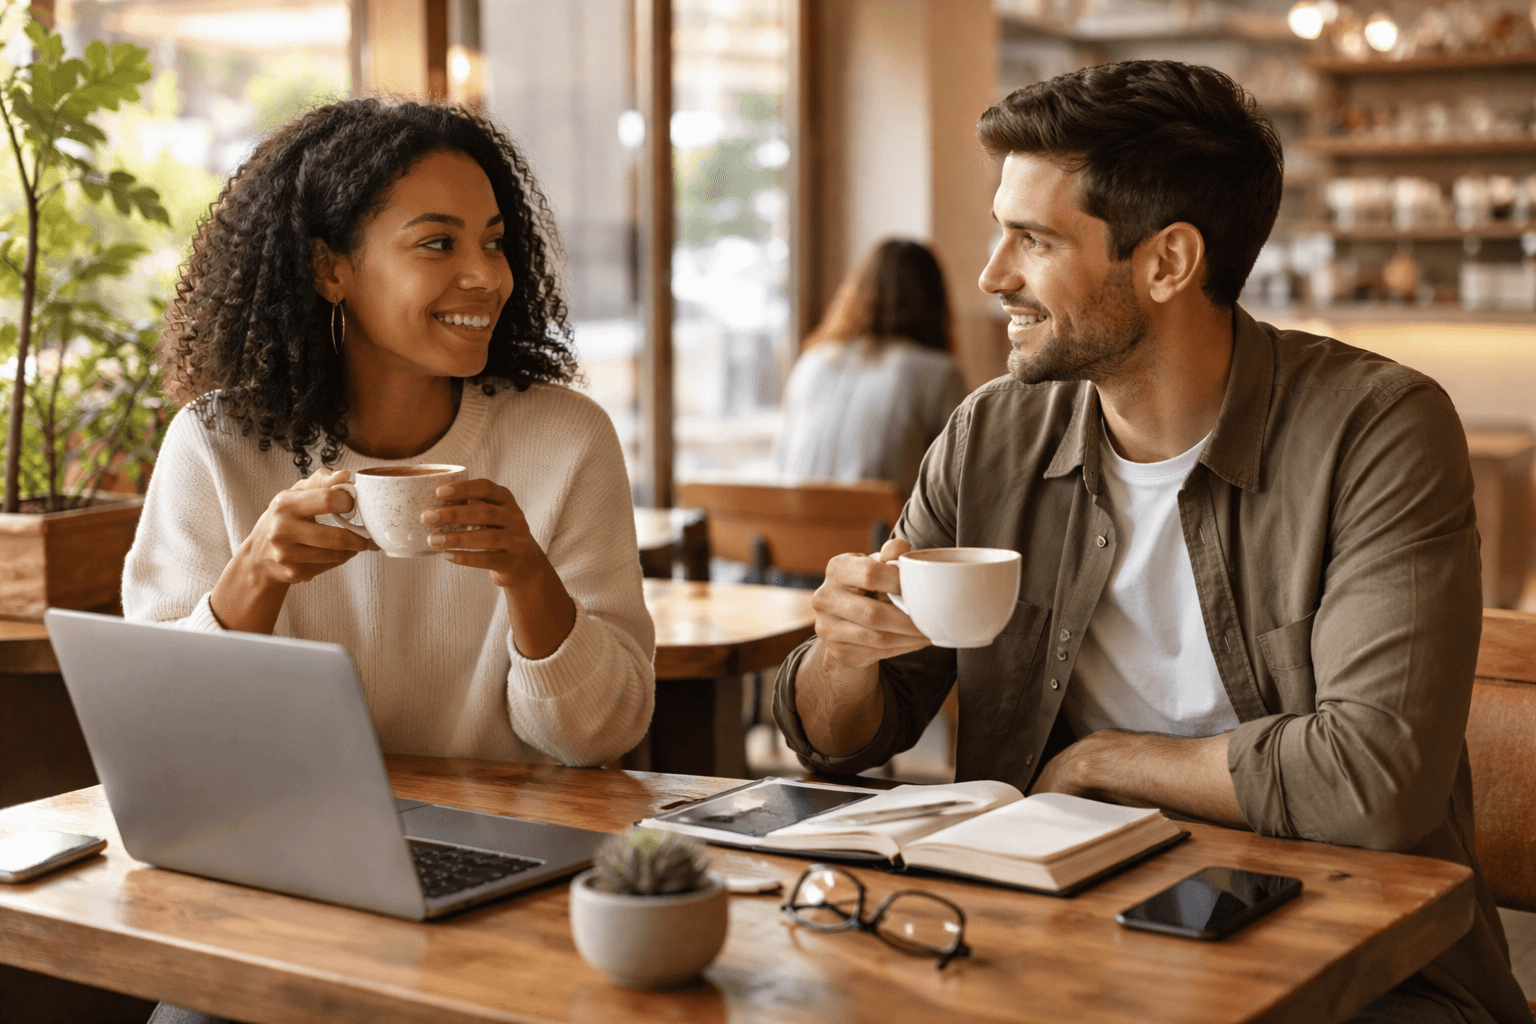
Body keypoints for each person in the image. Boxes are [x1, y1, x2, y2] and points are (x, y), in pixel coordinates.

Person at [773, 61, 1532, 1024]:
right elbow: (850, 740)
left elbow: (1372, 780)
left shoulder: (1377, 430)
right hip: (1042, 934)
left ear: (1168, 262)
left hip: (1359, 966)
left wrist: (1105, 764)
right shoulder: (991, 436)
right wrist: (843, 654)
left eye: (1033, 239)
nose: (990, 273)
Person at [125, 99, 654, 770]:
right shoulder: (215, 445)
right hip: (285, 844)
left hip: (517, 844)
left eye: (494, 243)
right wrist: (255, 574)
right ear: (330, 269)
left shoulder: (567, 440)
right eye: (438, 243)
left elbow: (602, 736)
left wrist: (526, 574)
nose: (488, 275)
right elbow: (163, 734)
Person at [774, 238, 966, 497]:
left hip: (792, 533)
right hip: (882, 535)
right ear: (934, 300)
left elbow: (782, 461)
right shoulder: (937, 373)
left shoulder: (811, 362)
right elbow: (966, 483)